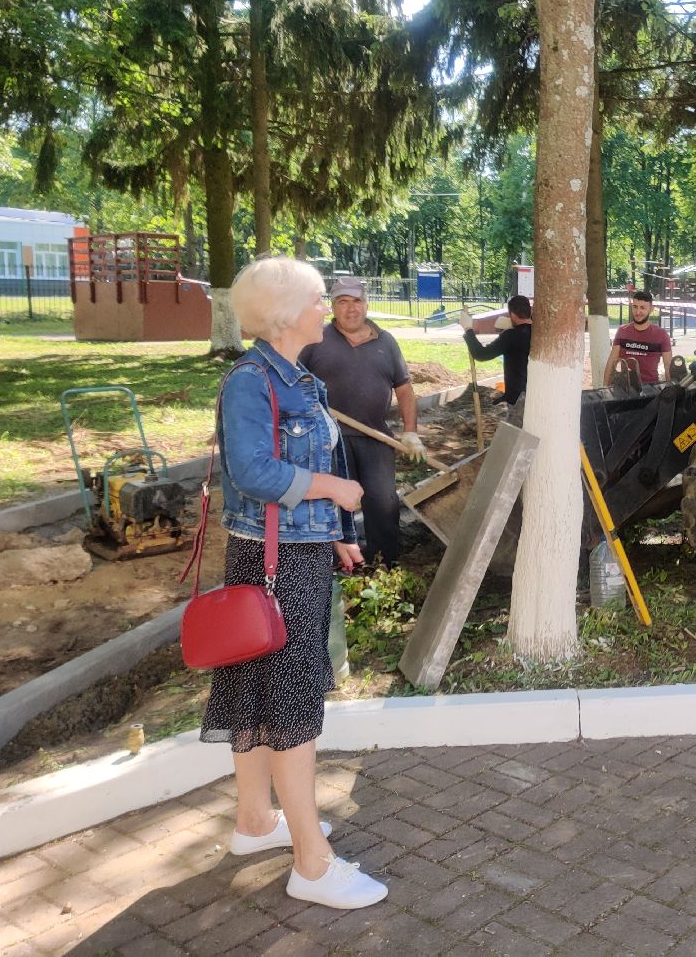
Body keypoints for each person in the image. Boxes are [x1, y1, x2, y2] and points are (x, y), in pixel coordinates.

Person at [206, 256, 386, 910]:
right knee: (290, 705)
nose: (325, 309)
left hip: (296, 552)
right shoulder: (251, 382)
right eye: (316, 299)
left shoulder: (298, 378)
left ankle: (256, 821)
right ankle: (312, 864)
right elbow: (253, 471)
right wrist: (332, 488)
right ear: (285, 315)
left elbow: (298, 461)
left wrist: (334, 528)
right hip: (274, 564)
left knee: (261, 693)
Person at [300, 277, 423, 567]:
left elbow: (404, 390)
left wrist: (410, 432)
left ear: (366, 304)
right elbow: (293, 382)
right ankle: (337, 566)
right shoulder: (316, 339)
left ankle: (384, 565)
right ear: (332, 307)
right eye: (342, 302)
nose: (351, 308)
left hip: (376, 438)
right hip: (330, 441)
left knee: (383, 505)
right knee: (333, 506)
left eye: (356, 301)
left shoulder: (386, 342)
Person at [458, 294, 532, 405]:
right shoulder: (540, 333)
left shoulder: (510, 336)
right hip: (535, 393)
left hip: (517, 398)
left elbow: (481, 354)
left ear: (511, 314)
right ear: (530, 311)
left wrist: (468, 329)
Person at [605, 289, 674, 384]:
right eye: (635, 307)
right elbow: (612, 362)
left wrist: (671, 389)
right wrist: (604, 388)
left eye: (642, 308)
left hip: (650, 388)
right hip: (625, 387)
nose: (638, 312)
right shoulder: (622, 331)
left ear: (651, 309)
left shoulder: (661, 335)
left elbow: (668, 367)